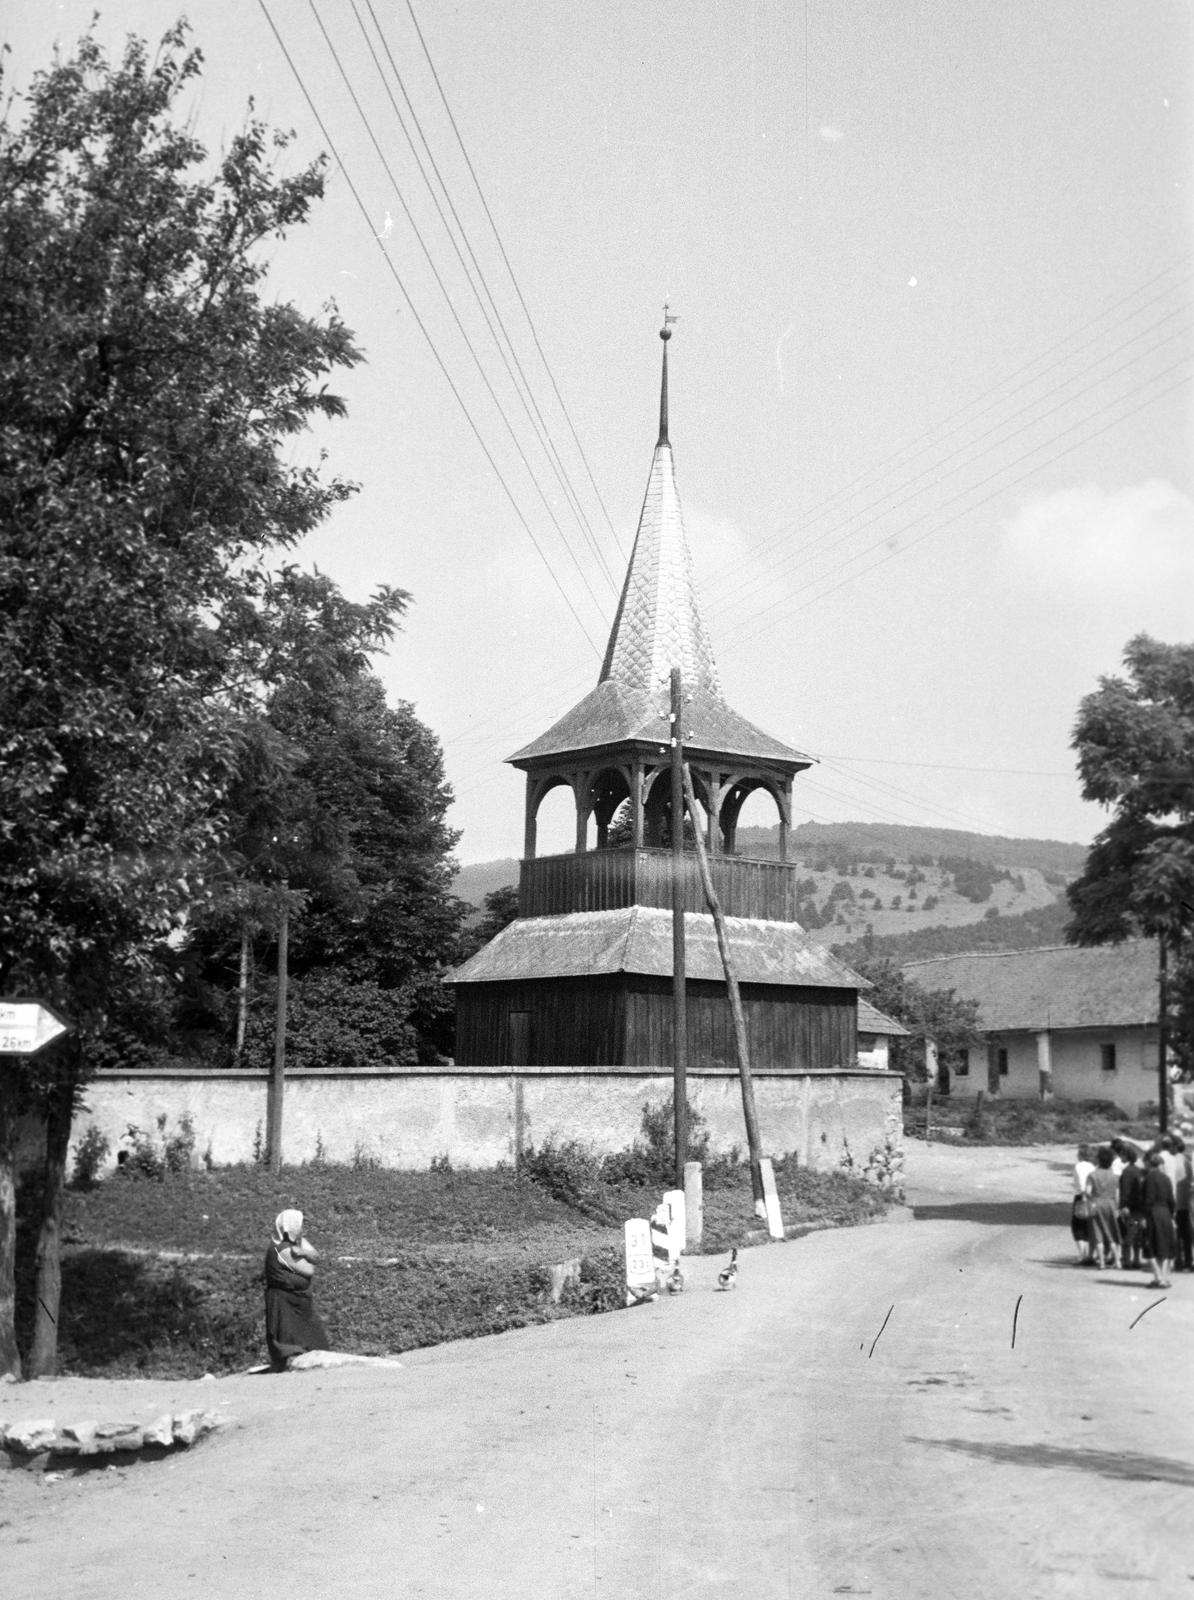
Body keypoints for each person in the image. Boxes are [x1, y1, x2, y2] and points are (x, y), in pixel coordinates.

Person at [264, 1208, 330, 1371]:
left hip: (298, 1300)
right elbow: (309, 1269)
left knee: (311, 1337)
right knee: (289, 1336)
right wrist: (305, 1255)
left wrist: (302, 1251)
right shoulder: (283, 1249)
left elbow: (316, 1257)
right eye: (299, 1224)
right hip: (286, 1301)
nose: (301, 1228)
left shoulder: (296, 1243)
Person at [1140, 1151, 1176, 1289]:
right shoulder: (1166, 1179)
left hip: (1153, 1213)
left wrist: (1144, 1216)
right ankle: (1164, 1278)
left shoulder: (1148, 1179)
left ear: (1150, 1164)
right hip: (1165, 1213)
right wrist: (1172, 1215)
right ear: (1160, 1164)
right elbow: (1171, 1200)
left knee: (1149, 1245)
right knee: (1165, 1246)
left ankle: (1158, 1277)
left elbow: (1147, 1200)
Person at [1084, 1145, 1122, 1270]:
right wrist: (1116, 1207)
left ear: (1099, 1160)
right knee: (1111, 1232)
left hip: (1096, 1203)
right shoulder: (1114, 1176)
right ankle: (1117, 1261)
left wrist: (1088, 1197)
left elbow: (1088, 1192)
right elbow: (1117, 1194)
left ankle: (1101, 1263)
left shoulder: (1092, 1175)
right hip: (1110, 1204)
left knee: (1098, 1233)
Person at [1117, 1146, 1147, 1272]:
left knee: (1129, 1233)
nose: (1120, 1157)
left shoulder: (1127, 1171)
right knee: (1137, 1233)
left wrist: (1123, 1206)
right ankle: (1136, 1259)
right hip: (1140, 1207)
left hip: (1131, 1208)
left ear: (1126, 1156)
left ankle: (1127, 1260)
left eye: (1122, 1155)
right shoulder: (1138, 1170)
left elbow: (1125, 1191)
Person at [1071, 1144, 1096, 1264]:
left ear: (1081, 1155)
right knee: (1088, 1224)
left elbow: (1082, 1183)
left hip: (1081, 1196)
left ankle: (1082, 1254)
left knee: (1077, 1225)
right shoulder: (1092, 1166)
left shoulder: (1079, 1166)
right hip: (1092, 1197)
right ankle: (1088, 1253)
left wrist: (1083, 1194)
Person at [1172, 1135, 1193, 1273]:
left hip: (1175, 1203)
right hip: (1186, 1202)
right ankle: (1188, 1261)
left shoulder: (1173, 1162)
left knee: (1176, 1233)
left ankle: (1178, 1260)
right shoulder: (1188, 1162)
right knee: (1187, 1234)